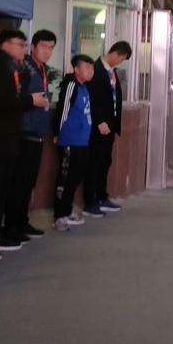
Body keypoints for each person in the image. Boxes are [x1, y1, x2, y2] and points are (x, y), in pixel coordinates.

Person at [0, 29, 48, 259]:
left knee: (2, 190)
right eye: (20, 45)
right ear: (5, 44)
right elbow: (3, 101)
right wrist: (30, 99)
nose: (23, 50)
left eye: (24, 45)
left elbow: (14, 96)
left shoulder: (13, 67)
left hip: (9, 138)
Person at [3, 29, 57, 243]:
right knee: (19, 183)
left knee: (28, 183)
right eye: (43, 46)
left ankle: (22, 222)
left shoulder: (42, 68)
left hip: (38, 133)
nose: (48, 51)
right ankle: (11, 226)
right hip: (24, 133)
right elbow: (16, 98)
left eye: (51, 48)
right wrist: (32, 101)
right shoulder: (24, 67)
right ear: (33, 47)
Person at [85, 41, 132, 217]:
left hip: (110, 126)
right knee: (94, 163)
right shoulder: (95, 69)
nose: (121, 62)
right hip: (98, 127)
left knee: (105, 162)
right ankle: (90, 201)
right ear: (115, 53)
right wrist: (99, 121)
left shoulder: (112, 72)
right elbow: (91, 98)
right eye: (121, 59)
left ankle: (102, 196)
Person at [53, 54, 96, 230]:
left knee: (75, 178)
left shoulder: (84, 87)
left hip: (82, 141)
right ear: (76, 69)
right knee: (66, 179)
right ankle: (59, 216)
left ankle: (67, 210)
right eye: (86, 67)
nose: (90, 71)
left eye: (92, 68)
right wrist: (57, 132)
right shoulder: (71, 85)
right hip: (70, 140)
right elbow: (62, 110)